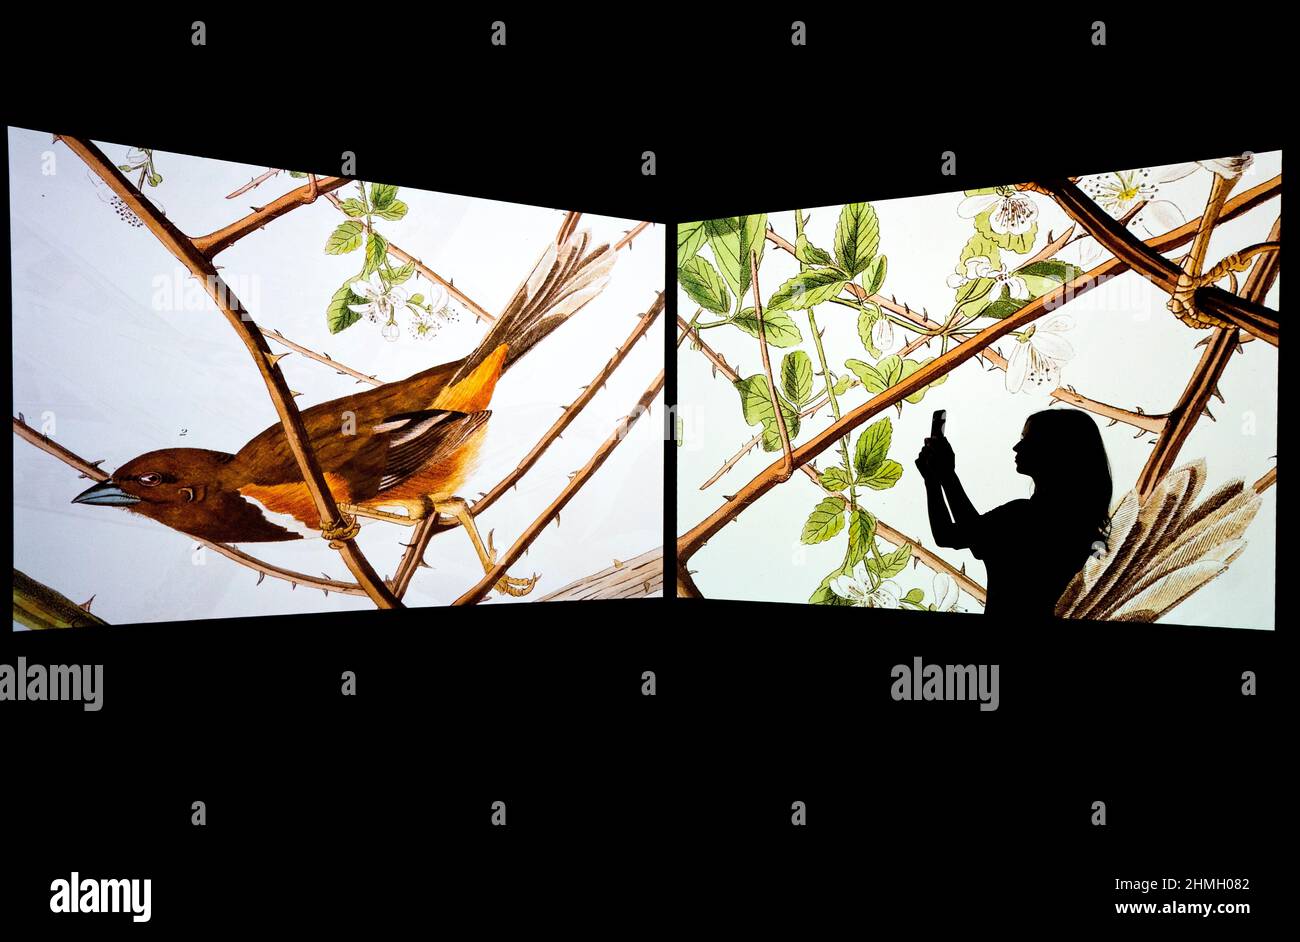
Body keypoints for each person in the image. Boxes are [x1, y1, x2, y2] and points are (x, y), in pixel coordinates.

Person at [915, 409, 1112, 620]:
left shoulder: (1023, 518)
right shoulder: (1080, 530)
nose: (1017, 447)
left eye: (1028, 440)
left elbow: (950, 535)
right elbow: (974, 533)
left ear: (1054, 451)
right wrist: (944, 476)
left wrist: (936, 479)